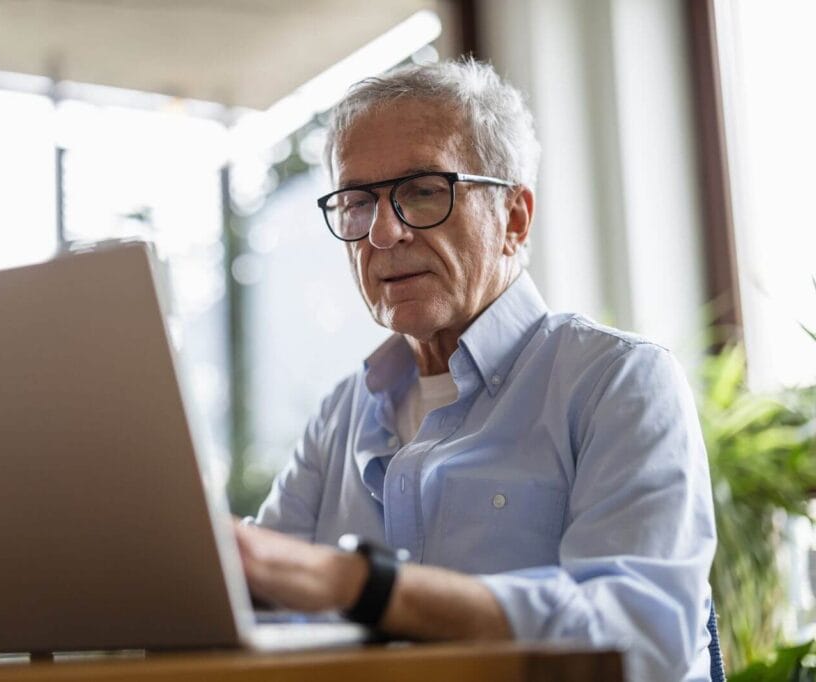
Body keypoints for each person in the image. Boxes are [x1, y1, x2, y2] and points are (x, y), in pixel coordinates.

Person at [233, 58, 716, 682]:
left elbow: (641, 637)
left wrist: (366, 586)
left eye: (423, 191)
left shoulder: (617, 382)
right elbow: (256, 594)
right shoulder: (341, 414)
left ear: (514, 219)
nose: (381, 233)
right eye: (357, 201)